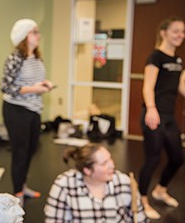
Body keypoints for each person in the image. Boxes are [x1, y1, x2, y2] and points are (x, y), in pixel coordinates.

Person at [0, 18, 54, 205]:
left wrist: (43, 85)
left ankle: (22, 185)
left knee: (31, 150)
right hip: (16, 110)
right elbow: (5, 87)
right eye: (35, 32)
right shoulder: (15, 58)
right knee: (20, 151)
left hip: (33, 110)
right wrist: (35, 89)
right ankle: (17, 193)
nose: (39, 35)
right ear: (25, 36)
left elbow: (31, 82)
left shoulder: (36, 57)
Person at [139, 16, 185, 220]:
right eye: (176, 31)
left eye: (183, 32)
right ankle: (142, 200)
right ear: (163, 33)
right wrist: (151, 108)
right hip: (154, 114)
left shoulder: (178, 60)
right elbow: (147, 86)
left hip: (169, 117)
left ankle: (160, 190)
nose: (180, 35)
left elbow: (179, 87)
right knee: (153, 159)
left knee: (177, 158)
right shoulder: (155, 57)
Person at [44, 143, 148, 222]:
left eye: (110, 159)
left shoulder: (124, 182)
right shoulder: (64, 186)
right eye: (104, 163)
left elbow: (140, 219)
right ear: (87, 170)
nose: (112, 165)